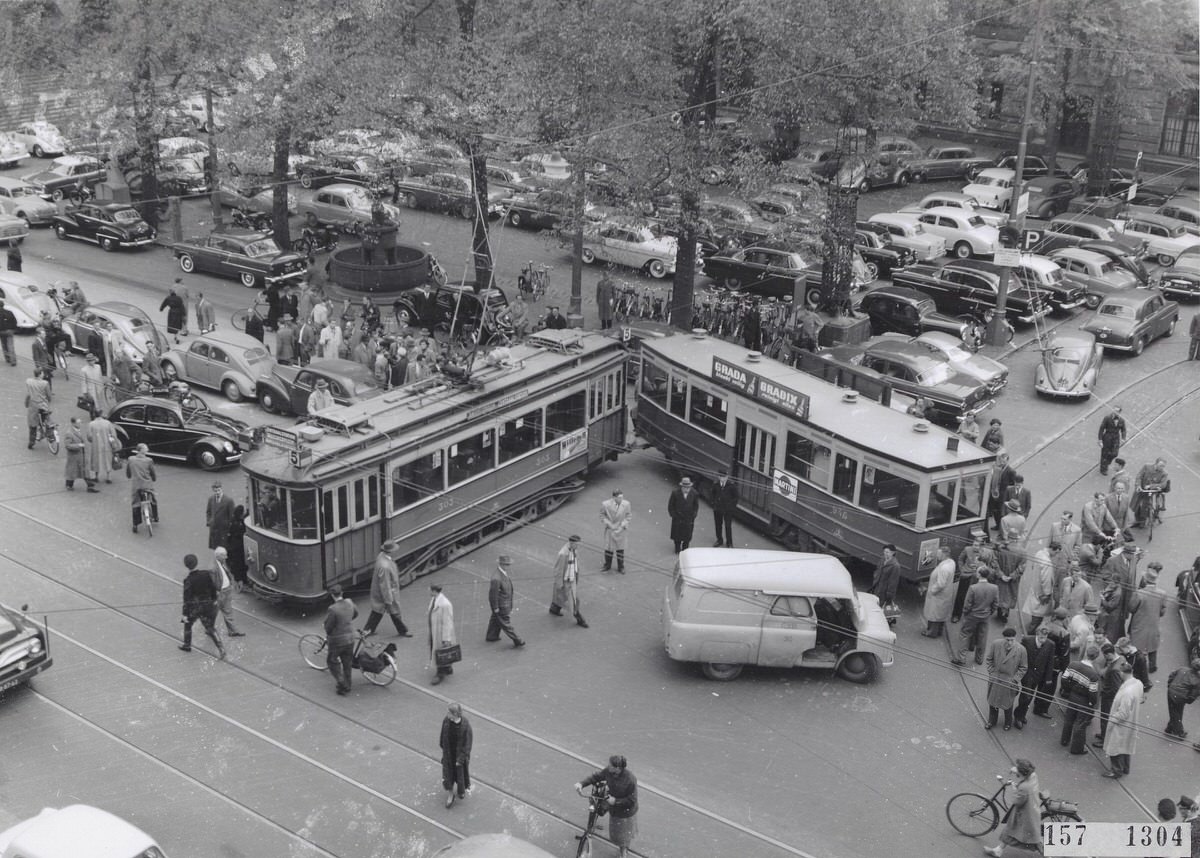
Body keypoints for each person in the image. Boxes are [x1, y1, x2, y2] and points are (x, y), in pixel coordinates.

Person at [575, 756, 638, 858]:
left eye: (611, 765)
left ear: (618, 768)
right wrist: (581, 784)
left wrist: (616, 801)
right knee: (614, 832)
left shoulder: (630, 779)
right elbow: (596, 777)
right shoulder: (609, 771)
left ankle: (624, 851)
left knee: (624, 835)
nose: (608, 766)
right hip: (613, 807)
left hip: (625, 812)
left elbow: (632, 801)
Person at [982, 759, 1039, 857]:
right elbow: (1024, 781)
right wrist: (1015, 771)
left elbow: (1017, 802)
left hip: (1025, 815)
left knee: (1033, 838)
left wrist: (1014, 788)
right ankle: (998, 850)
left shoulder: (1024, 787)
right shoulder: (1033, 776)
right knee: (1010, 830)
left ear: (1022, 773)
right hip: (1033, 807)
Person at [1102, 659, 1142, 778]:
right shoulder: (1137, 683)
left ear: (1122, 673)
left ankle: (1116, 771)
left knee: (1116, 747)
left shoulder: (1127, 692)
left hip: (1121, 724)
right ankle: (1125, 768)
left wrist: (1112, 719)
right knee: (1126, 745)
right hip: (1131, 721)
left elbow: (1123, 713)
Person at [180, 554, 225, 659]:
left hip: (197, 607)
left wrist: (185, 614)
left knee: (188, 624)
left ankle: (187, 645)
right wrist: (214, 599)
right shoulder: (206, 574)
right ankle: (221, 647)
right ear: (197, 562)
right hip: (210, 604)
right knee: (210, 627)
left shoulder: (188, 580)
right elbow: (213, 588)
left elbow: (186, 600)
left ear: (186, 565)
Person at [1059, 643, 1101, 755]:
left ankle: (1064, 740)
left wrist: (1069, 690)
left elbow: (1064, 679)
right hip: (1084, 700)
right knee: (1080, 724)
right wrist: (1092, 703)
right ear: (1096, 657)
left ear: (1086, 654)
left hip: (1072, 696)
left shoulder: (1073, 664)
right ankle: (1076, 748)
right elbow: (1093, 693)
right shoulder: (1093, 674)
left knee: (1069, 718)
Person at [364, 540, 411, 637]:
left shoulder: (381, 556)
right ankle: (403, 630)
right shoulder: (385, 566)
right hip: (388, 593)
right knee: (395, 612)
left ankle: (367, 630)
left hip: (381, 593)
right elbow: (385, 585)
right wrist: (389, 599)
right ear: (391, 551)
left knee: (377, 612)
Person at [951, 568, 998, 666]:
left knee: (965, 634)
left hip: (972, 616)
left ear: (979, 575)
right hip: (985, 616)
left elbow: (967, 604)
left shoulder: (973, 588)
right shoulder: (994, 588)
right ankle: (979, 659)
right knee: (982, 637)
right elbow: (995, 604)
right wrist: (989, 612)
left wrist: (965, 613)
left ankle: (961, 659)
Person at [1014, 625, 1057, 729]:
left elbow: (1050, 662)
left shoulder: (1050, 645)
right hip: (1027, 673)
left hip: (1038, 675)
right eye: (1041, 637)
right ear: (1037, 634)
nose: (1044, 640)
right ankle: (1018, 717)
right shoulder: (1027, 640)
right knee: (1026, 695)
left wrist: (1048, 678)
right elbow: (1018, 655)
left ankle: (1022, 714)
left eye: (1045, 637)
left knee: (1030, 695)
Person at [985, 627, 1027, 731]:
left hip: (1009, 681)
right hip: (996, 679)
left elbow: (1023, 667)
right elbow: (989, 659)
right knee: (993, 701)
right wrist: (992, 673)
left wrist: (1015, 679)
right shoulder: (996, 644)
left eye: (1012, 640)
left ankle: (1008, 723)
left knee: (1008, 704)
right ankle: (991, 721)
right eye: (1007, 640)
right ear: (1004, 638)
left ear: (1015, 638)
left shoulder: (1021, 650)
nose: (1010, 642)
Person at [1128, 563, 1166, 673]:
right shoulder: (1162, 594)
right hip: (1153, 625)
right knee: (1152, 646)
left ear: (1145, 580)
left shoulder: (1139, 593)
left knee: (1137, 647)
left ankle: (1137, 668)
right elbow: (1163, 611)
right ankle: (1152, 666)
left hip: (1139, 625)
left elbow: (1131, 608)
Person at [323, 584, 358, 696]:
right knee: (347, 662)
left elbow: (328, 627)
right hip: (350, 638)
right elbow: (355, 613)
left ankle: (341, 682)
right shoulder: (349, 602)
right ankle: (348, 685)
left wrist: (329, 632)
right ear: (342, 593)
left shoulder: (333, 609)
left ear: (332, 595)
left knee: (332, 661)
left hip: (337, 641)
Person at [439, 703, 473, 807]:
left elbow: (468, 744)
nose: (447, 714)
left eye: (449, 713)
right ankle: (450, 794)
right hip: (449, 754)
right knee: (448, 775)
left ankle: (461, 791)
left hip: (459, 757)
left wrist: (461, 759)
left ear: (455, 714)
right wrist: (444, 749)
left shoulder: (465, 725)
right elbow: (442, 736)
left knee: (460, 775)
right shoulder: (446, 721)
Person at [486, 554, 524, 647]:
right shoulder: (496, 578)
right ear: (501, 564)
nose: (508, 566)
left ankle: (491, 635)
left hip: (503, 604)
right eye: (507, 564)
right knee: (505, 623)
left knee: (495, 619)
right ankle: (517, 639)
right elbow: (493, 595)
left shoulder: (501, 573)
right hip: (502, 605)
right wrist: (495, 607)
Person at [550, 534, 588, 628]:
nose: (578, 546)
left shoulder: (573, 550)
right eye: (577, 544)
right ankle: (579, 619)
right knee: (574, 600)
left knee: (561, 597)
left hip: (571, 578)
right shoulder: (563, 554)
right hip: (566, 580)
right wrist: (560, 584)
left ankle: (554, 608)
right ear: (571, 543)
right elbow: (558, 570)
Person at [921, 545, 955, 638]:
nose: (937, 555)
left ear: (944, 554)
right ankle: (939, 631)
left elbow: (940, 584)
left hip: (938, 595)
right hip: (945, 594)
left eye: (939, 554)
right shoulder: (951, 563)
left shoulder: (944, 568)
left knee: (934, 614)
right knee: (940, 614)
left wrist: (932, 590)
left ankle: (931, 632)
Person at [209, 546, 243, 637]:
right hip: (220, 593)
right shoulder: (213, 568)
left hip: (226, 591)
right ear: (218, 556)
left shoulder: (222, 563)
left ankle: (232, 630)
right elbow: (212, 583)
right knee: (214, 612)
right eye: (224, 555)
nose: (226, 557)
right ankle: (209, 628)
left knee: (228, 611)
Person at [427, 583, 457, 685]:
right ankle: (448, 668)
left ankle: (440, 673)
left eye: (430, 589)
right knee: (438, 651)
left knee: (440, 652)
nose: (428, 591)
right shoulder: (435, 599)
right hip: (434, 631)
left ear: (434, 591)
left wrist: (446, 638)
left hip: (440, 634)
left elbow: (448, 622)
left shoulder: (445, 604)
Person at [1165, 658, 1200, 738]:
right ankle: (1180, 732)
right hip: (1181, 696)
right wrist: (1188, 700)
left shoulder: (1182, 669)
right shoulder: (1197, 679)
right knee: (1177, 712)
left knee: (1174, 711)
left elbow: (1171, 675)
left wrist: (1170, 685)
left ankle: (1169, 728)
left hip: (1171, 691)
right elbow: (1194, 694)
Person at [126, 443, 157, 532]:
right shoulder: (149, 460)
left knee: (135, 504)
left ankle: (135, 524)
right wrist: (154, 479)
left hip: (136, 486)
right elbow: (152, 473)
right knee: (153, 500)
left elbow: (128, 472)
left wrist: (129, 476)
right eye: (146, 448)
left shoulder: (131, 459)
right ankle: (155, 516)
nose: (147, 449)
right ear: (142, 450)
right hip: (147, 485)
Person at [600, 489, 631, 573]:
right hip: (611, 529)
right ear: (614, 497)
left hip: (621, 530)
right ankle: (607, 565)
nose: (621, 499)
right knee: (608, 549)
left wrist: (623, 525)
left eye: (622, 497)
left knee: (620, 549)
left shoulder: (626, 504)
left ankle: (621, 567)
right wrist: (609, 524)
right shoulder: (605, 504)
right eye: (619, 497)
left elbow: (628, 517)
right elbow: (602, 516)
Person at [1133, 458, 1169, 529]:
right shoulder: (1146, 466)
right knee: (1136, 505)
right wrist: (1138, 485)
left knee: (1145, 506)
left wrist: (1151, 486)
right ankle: (1137, 521)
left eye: (1163, 466)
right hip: (1141, 489)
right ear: (1156, 464)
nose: (1162, 468)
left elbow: (1163, 484)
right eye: (1160, 465)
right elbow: (1139, 476)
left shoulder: (1164, 473)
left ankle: (1143, 521)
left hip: (1151, 491)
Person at [667, 476, 700, 553]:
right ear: (681, 487)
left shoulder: (694, 493)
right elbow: (670, 505)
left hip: (688, 518)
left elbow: (696, 506)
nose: (686, 489)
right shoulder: (675, 493)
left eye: (688, 487)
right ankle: (677, 549)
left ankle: (685, 550)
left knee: (687, 536)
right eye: (684, 487)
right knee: (677, 535)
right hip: (678, 518)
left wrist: (694, 515)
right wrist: (673, 515)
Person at [63, 416, 94, 492]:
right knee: (73, 471)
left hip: (80, 455)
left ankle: (89, 484)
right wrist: (78, 445)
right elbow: (67, 445)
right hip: (74, 456)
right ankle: (69, 485)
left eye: (80, 422)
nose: (80, 424)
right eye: (78, 422)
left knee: (81, 470)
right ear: (73, 423)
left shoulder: (77, 430)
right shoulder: (69, 433)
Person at [25, 368, 53, 449]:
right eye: (42, 373)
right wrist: (49, 400)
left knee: (32, 424)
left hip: (33, 406)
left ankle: (31, 442)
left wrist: (27, 403)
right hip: (42, 406)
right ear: (40, 374)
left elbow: (28, 393)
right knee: (47, 420)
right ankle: (50, 436)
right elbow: (49, 395)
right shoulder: (45, 383)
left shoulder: (29, 381)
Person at [711, 469, 738, 548]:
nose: (722, 478)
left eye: (724, 477)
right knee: (718, 525)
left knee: (728, 526)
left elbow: (736, 497)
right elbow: (712, 494)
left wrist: (731, 507)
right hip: (718, 509)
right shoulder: (715, 484)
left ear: (727, 477)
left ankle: (729, 543)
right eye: (721, 477)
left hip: (728, 510)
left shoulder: (731, 486)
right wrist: (713, 504)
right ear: (718, 477)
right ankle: (719, 540)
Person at [205, 481, 235, 551]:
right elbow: (208, 511)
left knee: (223, 547)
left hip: (223, 529)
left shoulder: (228, 500)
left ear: (221, 489)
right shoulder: (211, 499)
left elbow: (232, 516)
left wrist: (229, 527)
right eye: (215, 491)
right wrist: (209, 521)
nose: (217, 492)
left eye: (218, 490)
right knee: (215, 547)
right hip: (214, 528)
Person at [870, 543, 902, 609]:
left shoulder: (895, 566)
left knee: (879, 609)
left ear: (893, 553)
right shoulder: (882, 559)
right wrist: (875, 577)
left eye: (887, 552)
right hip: (876, 588)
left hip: (884, 593)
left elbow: (893, 583)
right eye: (884, 551)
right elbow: (877, 569)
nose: (885, 553)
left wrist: (889, 597)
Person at [1097, 406, 1126, 475]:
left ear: (1119, 412)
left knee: (1115, 453)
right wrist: (1100, 439)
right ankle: (1103, 469)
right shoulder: (1107, 418)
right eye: (1114, 410)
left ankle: (1107, 461)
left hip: (1116, 437)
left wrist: (1123, 438)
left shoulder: (1121, 420)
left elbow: (1123, 430)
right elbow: (1102, 428)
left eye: (1117, 411)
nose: (1115, 412)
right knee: (1104, 453)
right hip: (1107, 436)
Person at [226, 505, 248, 590]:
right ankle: (240, 581)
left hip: (234, 546)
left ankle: (240, 580)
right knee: (238, 564)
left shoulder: (234, 521)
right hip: (237, 547)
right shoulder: (238, 524)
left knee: (238, 564)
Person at [79, 352, 106, 417]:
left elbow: (100, 377)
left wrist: (103, 384)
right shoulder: (84, 370)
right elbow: (83, 382)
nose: (91, 362)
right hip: (90, 389)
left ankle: (100, 413)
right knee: (93, 402)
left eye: (92, 360)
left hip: (99, 387)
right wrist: (85, 392)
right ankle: (93, 415)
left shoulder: (98, 367)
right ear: (87, 361)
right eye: (90, 361)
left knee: (100, 401)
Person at [0, 299, 17, 366]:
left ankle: (7, 358)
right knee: (10, 346)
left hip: (1, 332)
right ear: (3, 305)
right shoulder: (9, 312)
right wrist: (13, 329)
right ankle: (13, 361)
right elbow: (15, 321)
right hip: (9, 331)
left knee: (4, 345)